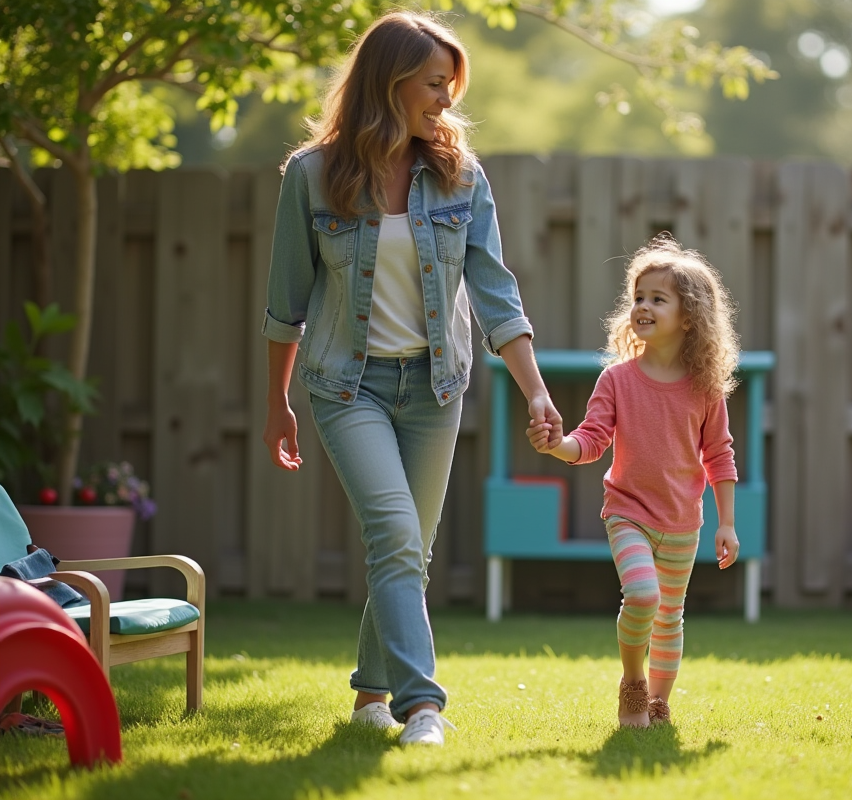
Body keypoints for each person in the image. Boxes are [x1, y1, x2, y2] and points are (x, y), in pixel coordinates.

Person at [261, 10, 562, 746]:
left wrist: (536, 390)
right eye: (434, 85)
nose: (445, 102)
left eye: (450, 87)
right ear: (389, 83)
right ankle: (421, 706)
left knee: (407, 550)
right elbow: (285, 303)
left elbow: (496, 293)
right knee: (396, 533)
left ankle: (370, 690)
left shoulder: (460, 175)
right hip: (345, 386)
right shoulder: (313, 175)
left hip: (435, 389)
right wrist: (277, 403)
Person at [526, 234, 740, 728]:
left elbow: (720, 456)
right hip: (628, 514)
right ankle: (633, 683)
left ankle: (660, 702)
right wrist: (556, 445)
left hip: (684, 521)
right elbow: (592, 440)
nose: (642, 306)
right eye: (638, 298)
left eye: (657, 299)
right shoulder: (617, 380)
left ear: (689, 317)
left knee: (669, 617)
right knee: (643, 596)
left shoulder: (706, 388)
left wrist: (726, 524)